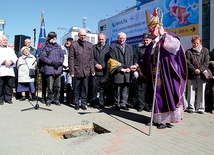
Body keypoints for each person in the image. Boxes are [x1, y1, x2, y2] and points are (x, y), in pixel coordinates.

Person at [131, 7, 187, 129]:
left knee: (166, 96)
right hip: (154, 73)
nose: (150, 32)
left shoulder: (168, 37)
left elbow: (175, 47)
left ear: (158, 28)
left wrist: (164, 35)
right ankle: (157, 119)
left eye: (152, 30)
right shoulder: (152, 44)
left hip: (166, 74)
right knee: (156, 96)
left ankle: (165, 120)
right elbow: (145, 59)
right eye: (149, 30)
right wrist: (137, 65)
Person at [68, 29, 95, 110]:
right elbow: (71, 59)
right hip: (77, 70)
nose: (83, 37)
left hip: (86, 71)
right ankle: (76, 103)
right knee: (76, 88)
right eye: (81, 35)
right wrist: (71, 71)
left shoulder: (90, 45)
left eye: (84, 35)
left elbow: (91, 59)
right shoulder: (74, 44)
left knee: (85, 88)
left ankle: (83, 103)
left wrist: (92, 70)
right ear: (78, 36)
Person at [185, 36, 210, 114]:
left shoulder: (205, 51)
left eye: (197, 43)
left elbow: (206, 62)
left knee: (201, 91)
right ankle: (191, 107)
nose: (195, 45)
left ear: (200, 42)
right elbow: (187, 62)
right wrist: (194, 70)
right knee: (190, 91)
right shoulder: (188, 52)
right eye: (194, 43)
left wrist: (200, 70)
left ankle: (201, 107)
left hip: (202, 74)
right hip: (192, 74)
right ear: (192, 43)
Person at [109, 32, 133, 111]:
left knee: (125, 88)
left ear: (126, 39)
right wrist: (121, 69)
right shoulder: (113, 47)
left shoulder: (129, 47)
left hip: (127, 71)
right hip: (118, 71)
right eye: (120, 38)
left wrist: (129, 68)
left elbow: (131, 59)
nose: (122, 40)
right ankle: (117, 104)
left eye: (123, 38)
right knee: (118, 89)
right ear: (117, 38)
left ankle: (124, 103)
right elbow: (113, 60)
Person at [39, 31, 64, 106]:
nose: (54, 38)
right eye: (53, 37)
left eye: (55, 37)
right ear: (50, 38)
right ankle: (49, 99)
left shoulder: (58, 46)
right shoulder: (45, 46)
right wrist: (51, 63)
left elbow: (62, 56)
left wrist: (60, 62)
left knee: (57, 86)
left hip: (58, 69)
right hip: (49, 68)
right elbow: (42, 57)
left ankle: (56, 99)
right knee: (49, 86)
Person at [133, 33, 152, 112]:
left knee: (149, 90)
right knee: (141, 89)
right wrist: (136, 68)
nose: (146, 42)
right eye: (144, 40)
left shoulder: (153, 49)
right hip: (141, 73)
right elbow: (135, 60)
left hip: (150, 73)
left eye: (147, 40)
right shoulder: (139, 49)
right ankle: (141, 105)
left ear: (151, 40)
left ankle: (148, 105)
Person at [91, 33, 110, 109]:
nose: (101, 40)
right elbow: (91, 57)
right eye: (100, 39)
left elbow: (108, 59)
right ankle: (93, 101)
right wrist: (96, 64)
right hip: (95, 70)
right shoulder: (93, 47)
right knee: (94, 87)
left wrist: (102, 65)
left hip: (104, 71)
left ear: (105, 39)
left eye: (102, 39)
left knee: (102, 88)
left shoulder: (108, 48)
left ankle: (101, 102)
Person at [0, 35, 18, 105]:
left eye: (6, 40)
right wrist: (4, 62)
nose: (5, 41)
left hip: (9, 70)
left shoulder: (10, 50)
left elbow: (15, 58)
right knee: (1, 85)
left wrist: (11, 62)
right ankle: (0, 99)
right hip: (1, 69)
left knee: (9, 85)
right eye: (4, 40)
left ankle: (8, 98)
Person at [60, 37, 73, 104]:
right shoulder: (61, 48)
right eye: (68, 41)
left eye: (70, 42)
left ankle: (68, 99)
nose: (68, 43)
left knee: (69, 84)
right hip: (63, 68)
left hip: (70, 69)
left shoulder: (73, 49)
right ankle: (61, 99)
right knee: (62, 84)